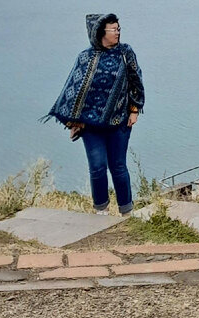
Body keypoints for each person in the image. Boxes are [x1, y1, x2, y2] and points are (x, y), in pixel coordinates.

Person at [45, 14, 145, 215]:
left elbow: (136, 81)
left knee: (118, 166)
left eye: (118, 28)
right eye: (113, 29)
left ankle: (126, 211)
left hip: (120, 121)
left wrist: (134, 111)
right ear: (100, 33)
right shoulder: (85, 57)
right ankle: (101, 210)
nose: (117, 32)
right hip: (91, 126)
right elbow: (74, 91)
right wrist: (74, 121)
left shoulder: (126, 53)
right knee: (98, 167)